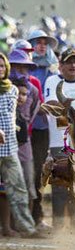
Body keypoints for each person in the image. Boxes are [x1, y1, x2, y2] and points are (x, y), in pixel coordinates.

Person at [44, 49, 75, 229]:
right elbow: (50, 104)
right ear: (61, 66)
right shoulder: (52, 81)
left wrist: (69, 106)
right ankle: (57, 225)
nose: (73, 65)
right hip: (59, 141)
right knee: (59, 183)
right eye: (69, 62)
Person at [0, 53, 40, 238]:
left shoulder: (12, 90)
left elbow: (11, 116)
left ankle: (27, 227)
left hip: (10, 148)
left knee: (19, 188)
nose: (0, 69)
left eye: (2, 66)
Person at [27, 29, 58, 231]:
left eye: (45, 43)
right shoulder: (25, 69)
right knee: (29, 171)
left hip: (47, 130)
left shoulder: (53, 72)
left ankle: (40, 216)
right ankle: (28, 216)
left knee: (44, 171)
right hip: (28, 129)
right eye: (38, 42)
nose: (42, 46)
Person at [8, 50, 40, 211]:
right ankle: (7, 225)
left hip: (23, 142)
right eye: (16, 66)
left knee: (28, 179)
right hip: (4, 141)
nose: (20, 70)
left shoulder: (33, 90)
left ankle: (28, 223)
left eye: (24, 67)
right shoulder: (3, 88)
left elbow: (33, 113)